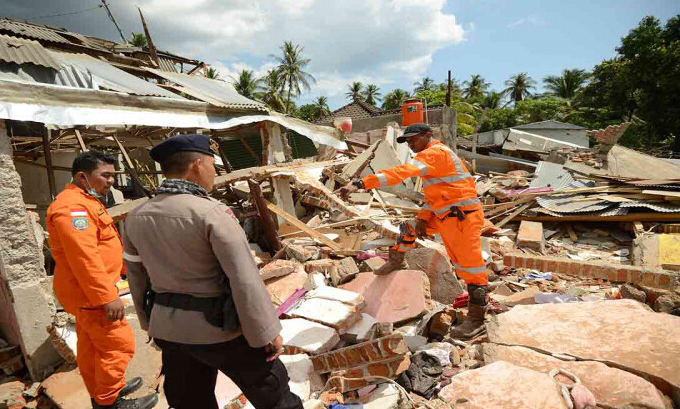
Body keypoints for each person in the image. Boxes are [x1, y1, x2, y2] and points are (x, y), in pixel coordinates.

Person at [123, 134, 302, 409]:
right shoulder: (211, 213)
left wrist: (151, 323)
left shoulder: (136, 217)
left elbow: (136, 278)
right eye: (211, 165)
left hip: (171, 332)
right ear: (196, 164)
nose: (214, 173)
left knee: (190, 401)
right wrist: (266, 333)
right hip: (221, 331)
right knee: (275, 397)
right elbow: (244, 280)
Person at [337, 123, 488, 339]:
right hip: (446, 215)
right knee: (409, 227)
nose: (410, 143)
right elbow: (434, 196)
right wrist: (424, 220)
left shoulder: (435, 153)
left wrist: (361, 184)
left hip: (462, 217)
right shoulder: (433, 159)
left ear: (428, 136)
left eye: (413, 139)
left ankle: (477, 319)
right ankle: (397, 259)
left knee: (470, 268)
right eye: (407, 141)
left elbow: (401, 172)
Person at [46, 151, 158, 409]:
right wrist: (106, 297)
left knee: (92, 349)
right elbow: (84, 257)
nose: (111, 181)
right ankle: (111, 403)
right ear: (83, 177)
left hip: (85, 292)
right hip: (90, 294)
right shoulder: (73, 208)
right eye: (105, 176)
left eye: (112, 176)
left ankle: (103, 392)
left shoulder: (85, 201)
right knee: (117, 345)